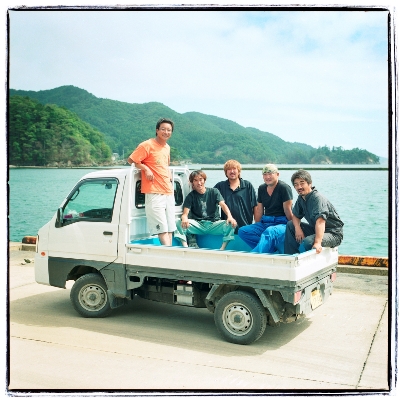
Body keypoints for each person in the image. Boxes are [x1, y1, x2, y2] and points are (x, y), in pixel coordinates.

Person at [127, 118, 176, 246]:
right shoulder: (147, 145)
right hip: (154, 191)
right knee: (162, 229)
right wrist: (146, 168)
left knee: (170, 228)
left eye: (169, 130)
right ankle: (169, 256)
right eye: (163, 129)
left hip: (168, 191)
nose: (166, 132)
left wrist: (168, 172)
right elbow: (131, 160)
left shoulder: (167, 147)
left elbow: (165, 164)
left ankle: (170, 254)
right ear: (157, 130)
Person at [284, 169, 344, 254]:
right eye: (296, 185)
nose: (299, 187)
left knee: (309, 241)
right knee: (291, 225)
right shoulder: (301, 198)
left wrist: (317, 243)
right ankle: (291, 257)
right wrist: (298, 228)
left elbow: (320, 222)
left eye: (302, 183)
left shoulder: (317, 198)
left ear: (310, 183)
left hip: (333, 233)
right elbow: (296, 216)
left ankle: (306, 262)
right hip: (316, 230)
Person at [174, 170, 237, 250]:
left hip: (213, 224)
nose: (199, 183)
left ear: (204, 180)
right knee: (177, 222)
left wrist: (230, 216)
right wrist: (184, 218)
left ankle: (222, 248)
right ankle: (185, 247)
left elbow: (223, 205)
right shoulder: (191, 196)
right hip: (198, 225)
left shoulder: (214, 191)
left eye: (200, 179)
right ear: (192, 182)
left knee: (231, 224)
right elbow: (185, 213)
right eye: (195, 180)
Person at [238, 164, 293, 253]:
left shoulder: (284, 188)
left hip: (282, 223)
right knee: (243, 231)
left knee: (270, 232)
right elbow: (259, 210)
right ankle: (270, 248)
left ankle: (254, 256)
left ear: (277, 174)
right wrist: (257, 224)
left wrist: (294, 227)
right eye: (265, 174)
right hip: (266, 221)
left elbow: (288, 210)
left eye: (270, 174)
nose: (267, 177)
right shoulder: (261, 188)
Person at [214, 160, 257, 234]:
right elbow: (207, 197)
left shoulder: (247, 185)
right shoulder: (220, 186)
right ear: (226, 172)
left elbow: (255, 206)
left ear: (239, 171)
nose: (232, 171)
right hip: (227, 227)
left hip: (245, 227)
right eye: (229, 169)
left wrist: (256, 225)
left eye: (234, 169)